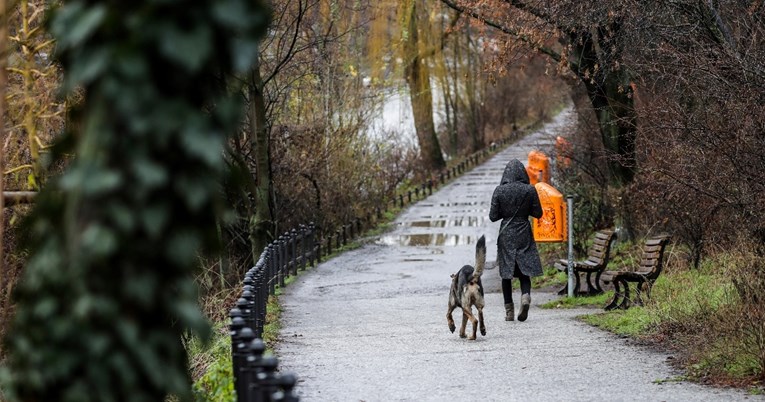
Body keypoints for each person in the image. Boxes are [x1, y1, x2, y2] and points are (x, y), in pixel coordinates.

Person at [489, 159, 543, 322]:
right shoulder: (530, 190)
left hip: (507, 234)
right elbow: (538, 213)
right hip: (524, 231)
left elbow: (493, 217)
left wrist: (505, 211)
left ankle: (509, 312)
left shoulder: (499, 190)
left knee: (506, 274)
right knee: (524, 270)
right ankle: (525, 296)